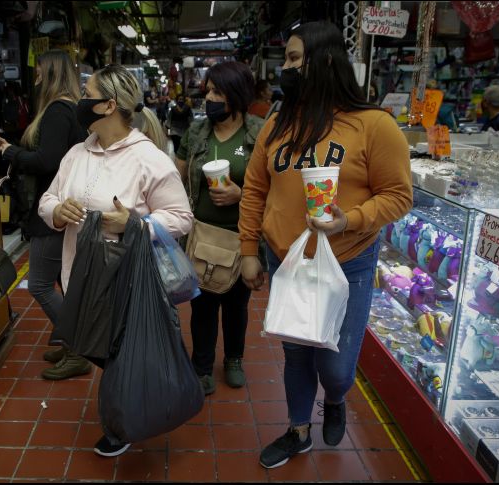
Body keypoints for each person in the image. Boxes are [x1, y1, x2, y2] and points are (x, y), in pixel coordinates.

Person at [237, 21, 413, 469]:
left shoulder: (374, 125)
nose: (287, 68)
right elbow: (255, 189)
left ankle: (335, 398)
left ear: (326, 61)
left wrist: (349, 220)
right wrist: (248, 251)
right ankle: (298, 430)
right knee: (295, 352)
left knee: (334, 366)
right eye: (287, 60)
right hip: (286, 261)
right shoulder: (278, 122)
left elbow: (398, 196)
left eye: (296, 59)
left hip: (347, 261)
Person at [38, 64, 193, 458]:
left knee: (120, 351)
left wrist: (136, 222)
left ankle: (123, 422)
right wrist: (58, 211)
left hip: (127, 277)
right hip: (80, 273)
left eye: (87, 91)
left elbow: (182, 218)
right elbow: (47, 200)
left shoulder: (148, 159)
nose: (80, 100)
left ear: (107, 105)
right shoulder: (77, 153)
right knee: (102, 349)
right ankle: (129, 407)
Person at [0, 50, 89, 381]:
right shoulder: (68, 109)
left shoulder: (58, 111)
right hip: (61, 206)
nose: (34, 77)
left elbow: (48, 161)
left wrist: (9, 152)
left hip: (53, 209)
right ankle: (71, 341)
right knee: (62, 280)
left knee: (41, 284)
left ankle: (78, 347)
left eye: (39, 72)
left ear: (50, 75)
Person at [175, 62, 265, 396]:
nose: (209, 98)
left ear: (236, 94)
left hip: (243, 236)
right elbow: (177, 177)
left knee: (236, 304)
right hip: (203, 235)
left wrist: (241, 194)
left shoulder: (259, 132)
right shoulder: (197, 132)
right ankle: (201, 366)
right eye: (208, 90)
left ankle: (234, 359)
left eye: (217, 92)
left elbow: (273, 185)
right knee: (203, 305)